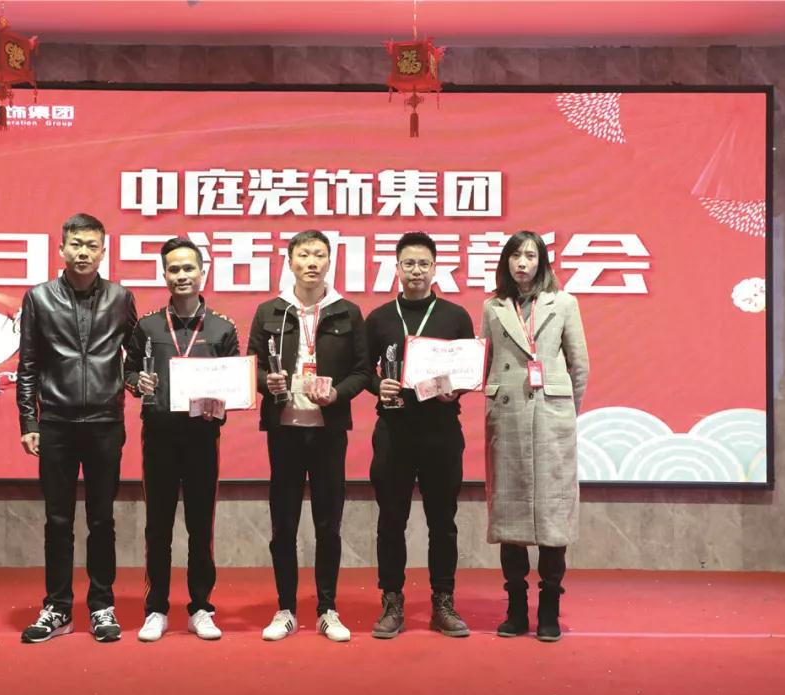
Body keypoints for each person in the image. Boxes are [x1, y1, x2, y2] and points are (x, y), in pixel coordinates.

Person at [16, 213, 137, 644]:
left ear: (103, 251)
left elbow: (135, 356)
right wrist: (29, 420)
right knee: (57, 519)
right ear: (62, 249)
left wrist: (137, 383)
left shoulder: (121, 298)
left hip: (105, 422)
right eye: (76, 244)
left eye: (91, 245)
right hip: (56, 424)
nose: (83, 252)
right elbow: (28, 364)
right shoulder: (39, 298)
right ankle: (58, 607)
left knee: (102, 519)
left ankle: (102, 605)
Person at [247, 229, 373, 643]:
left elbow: (362, 371)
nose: (312, 262)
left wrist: (337, 393)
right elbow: (252, 366)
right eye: (304, 255)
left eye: (319, 254)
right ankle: (285, 608)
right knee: (283, 524)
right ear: (290, 262)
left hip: (328, 432)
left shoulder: (347, 312)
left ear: (329, 261)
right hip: (284, 431)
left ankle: (327, 609)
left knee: (328, 525)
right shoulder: (270, 310)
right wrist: (268, 383)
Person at [125, 237, 240, 643]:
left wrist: (221, 404)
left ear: (202, 273)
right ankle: (156, 608)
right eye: (173, 269)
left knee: (199, 528)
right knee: (157, 528)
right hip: (158, 438)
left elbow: (234, 384)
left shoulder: (223, 327)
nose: (181, 275)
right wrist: (137, 382)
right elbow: (128, 371)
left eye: (188, 268)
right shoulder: (148, 326)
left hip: (202, 439)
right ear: (164, 274)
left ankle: (200, 608)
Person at [364, 232, 476, 639]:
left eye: (423, 264)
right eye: (408, 264)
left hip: (441, 431)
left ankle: (443, 601)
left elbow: (469, 369)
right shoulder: (379, 318)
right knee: (391, 520)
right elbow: (362, 370)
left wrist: (456, 390)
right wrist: (378, 386)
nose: (416, 271)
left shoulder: (455, 316)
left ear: (434, 268)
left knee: (443, 521)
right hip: (394, 431)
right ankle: (392, 600)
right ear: (396, 268)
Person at [480, 230, 589, 642]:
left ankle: (549, 609)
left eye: (530, 255)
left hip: (550, 420)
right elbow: (485, 361)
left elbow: (579, 365)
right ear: (506, 262)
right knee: (510, 515)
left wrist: (563, 409)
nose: (522, 262)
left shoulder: (564, 303)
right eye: (515, 255)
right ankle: (515, 608)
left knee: (552, 515)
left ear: (542, 261)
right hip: (508, 418)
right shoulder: (493, 307)